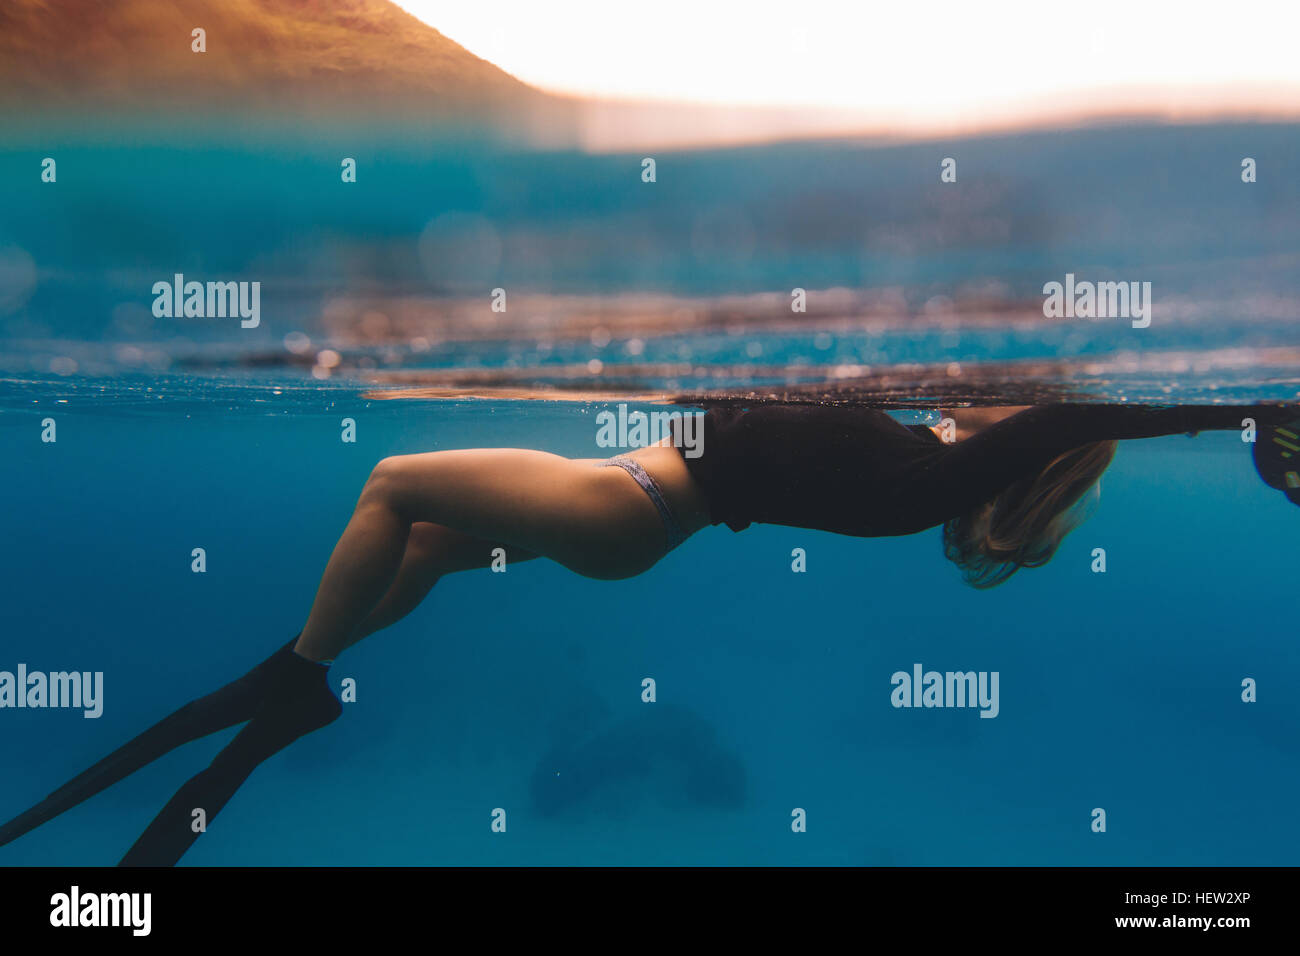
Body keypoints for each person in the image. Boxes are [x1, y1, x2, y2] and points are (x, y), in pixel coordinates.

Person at [1, 401, 1294, 864]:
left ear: (1041, 447)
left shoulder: (943, 479)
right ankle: (303, 676)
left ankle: (293, 676)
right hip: (629, 513)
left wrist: (1246, 408)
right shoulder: (923, 458)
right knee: (437, 549)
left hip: (626, 505)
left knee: (393, 481)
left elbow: (1090, 415)